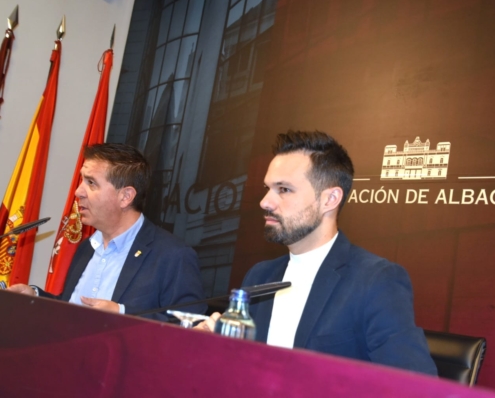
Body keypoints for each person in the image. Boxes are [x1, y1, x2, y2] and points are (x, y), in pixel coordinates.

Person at [200, 130, 437, 376]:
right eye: (267, 188)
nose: (265, 202)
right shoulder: (260, 276)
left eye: (283, 189)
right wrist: (210, 342)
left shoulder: (376, 280)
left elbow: (416, 385)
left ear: (330, 199)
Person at [8, 143, 206, 321]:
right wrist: (34, 297)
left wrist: (121, 314)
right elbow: (71, 307)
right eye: (82, 181)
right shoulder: (86, 247)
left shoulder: (173, 255)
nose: (78, 192)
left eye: (91, 182)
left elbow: (192, 324)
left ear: (125, 196)